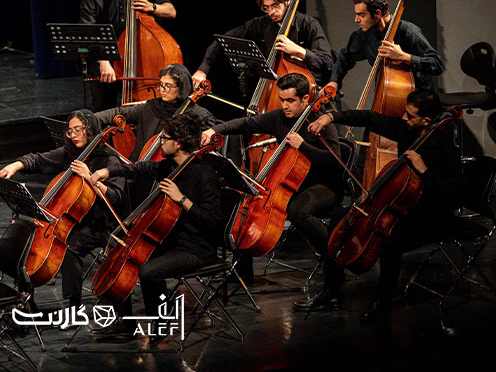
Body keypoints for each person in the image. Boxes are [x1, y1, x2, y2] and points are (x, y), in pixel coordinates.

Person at [296, 90, 461, 321]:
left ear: (426, 121)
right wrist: (331, 117)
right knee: (340, 218)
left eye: (410, 115)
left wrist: (424, 171)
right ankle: (331, 290)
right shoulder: (405, 128)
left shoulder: (444, 148)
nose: (403, 117)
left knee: (391, 240)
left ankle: (383, 303)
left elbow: (454, 196)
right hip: (399, 207)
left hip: (431, 216)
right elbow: (369, 118)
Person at [201, 73, 342, 281]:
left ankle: (334, 264)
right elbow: (246, 124)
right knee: (245, 200)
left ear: (305, 99)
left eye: (290, 101)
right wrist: (214, 130)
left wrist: (303, 145)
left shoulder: (321, 122)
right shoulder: (279, 117)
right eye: (282, 100)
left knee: (298, 211)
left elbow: (335, 160)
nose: (285, 106)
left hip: (324, 185)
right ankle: (243, 273)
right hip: (291, 183)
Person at [90, 115, 222, 336]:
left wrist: (182, 199)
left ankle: (161, 323)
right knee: (123, 253)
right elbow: (139, 169)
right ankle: (125, 323)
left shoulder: (204, 175)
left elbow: (213, 223)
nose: (160, 141)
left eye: (164, 138)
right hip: (172, 241)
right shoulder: (169, 167)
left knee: (149, 271)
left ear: (178, 143)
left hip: (197, 249)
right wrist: (108, 171)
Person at [0, 110, 126, 310]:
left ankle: (90, 308)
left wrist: (90, 178)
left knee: (72, 247)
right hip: (77, 222)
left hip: (104, 224)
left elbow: (116, 197)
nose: (73, 135)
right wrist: (16, 165)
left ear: (90, 130)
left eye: (78, 130)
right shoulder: (71, 153)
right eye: (70, 131)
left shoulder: (110, 160)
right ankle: (51, 303)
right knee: (43, 241)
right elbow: (39, 160)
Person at [193, 0, 333, 102]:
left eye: (275, 6)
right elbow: (221, 40)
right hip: (272, 95)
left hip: (305, 97)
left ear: (288, 2)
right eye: (267, 8)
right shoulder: (261, 24)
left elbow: (327, 62)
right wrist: (202, 70)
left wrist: (299, 51)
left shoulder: (309, 25)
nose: (271, 12)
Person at [80, 0, 176, 111]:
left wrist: (152, 7)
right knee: (104, 111)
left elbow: (171, 11)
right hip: (105, 61)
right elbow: (88, 32)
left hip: (138, 61)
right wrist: (103, 61)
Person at [324, 0, 443, 94]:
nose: (356, 20)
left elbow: (436, 64)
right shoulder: (364, 35)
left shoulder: (408, 32)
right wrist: (334, 81)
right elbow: (345, 57)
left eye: (362, 15)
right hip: (385, 98)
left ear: (378, 14)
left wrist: (404, 57)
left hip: (418, 100)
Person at [95, 63, 217, 162]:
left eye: (168, 85)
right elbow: (118, 112)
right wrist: (90, 119)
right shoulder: (152, 107)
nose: (162, 90)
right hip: (136, 167)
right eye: (161, 85)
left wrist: (212, 132)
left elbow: (217, 131)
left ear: (181, 87)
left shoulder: (197, 115)